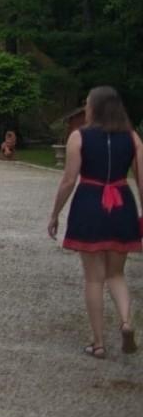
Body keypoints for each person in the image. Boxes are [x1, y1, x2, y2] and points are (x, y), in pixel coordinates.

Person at [47, 86, 141, 359]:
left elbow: (68, 180)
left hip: (89, 202)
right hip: (122, 203)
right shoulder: (133, 137)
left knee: (93, 279)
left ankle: (98, 343)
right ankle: (126, 322)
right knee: (117, 274)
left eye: (87, 103)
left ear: (95, 107)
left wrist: (55, 214)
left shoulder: (79, 137)